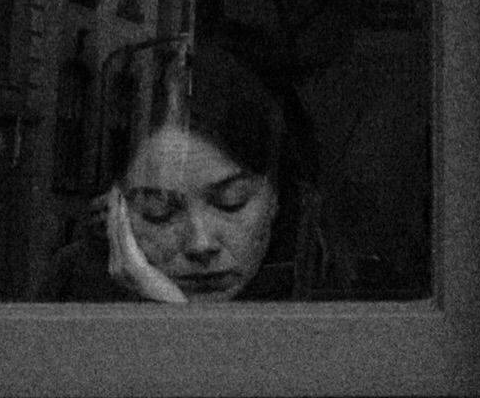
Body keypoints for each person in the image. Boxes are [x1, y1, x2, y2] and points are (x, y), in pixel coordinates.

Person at [45, 35, 363, 304]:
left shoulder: (329, 296)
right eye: (158, 211)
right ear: (116, 211)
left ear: (275, 200)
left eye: (232, 202)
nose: (201, 244)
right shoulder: (72, 289)